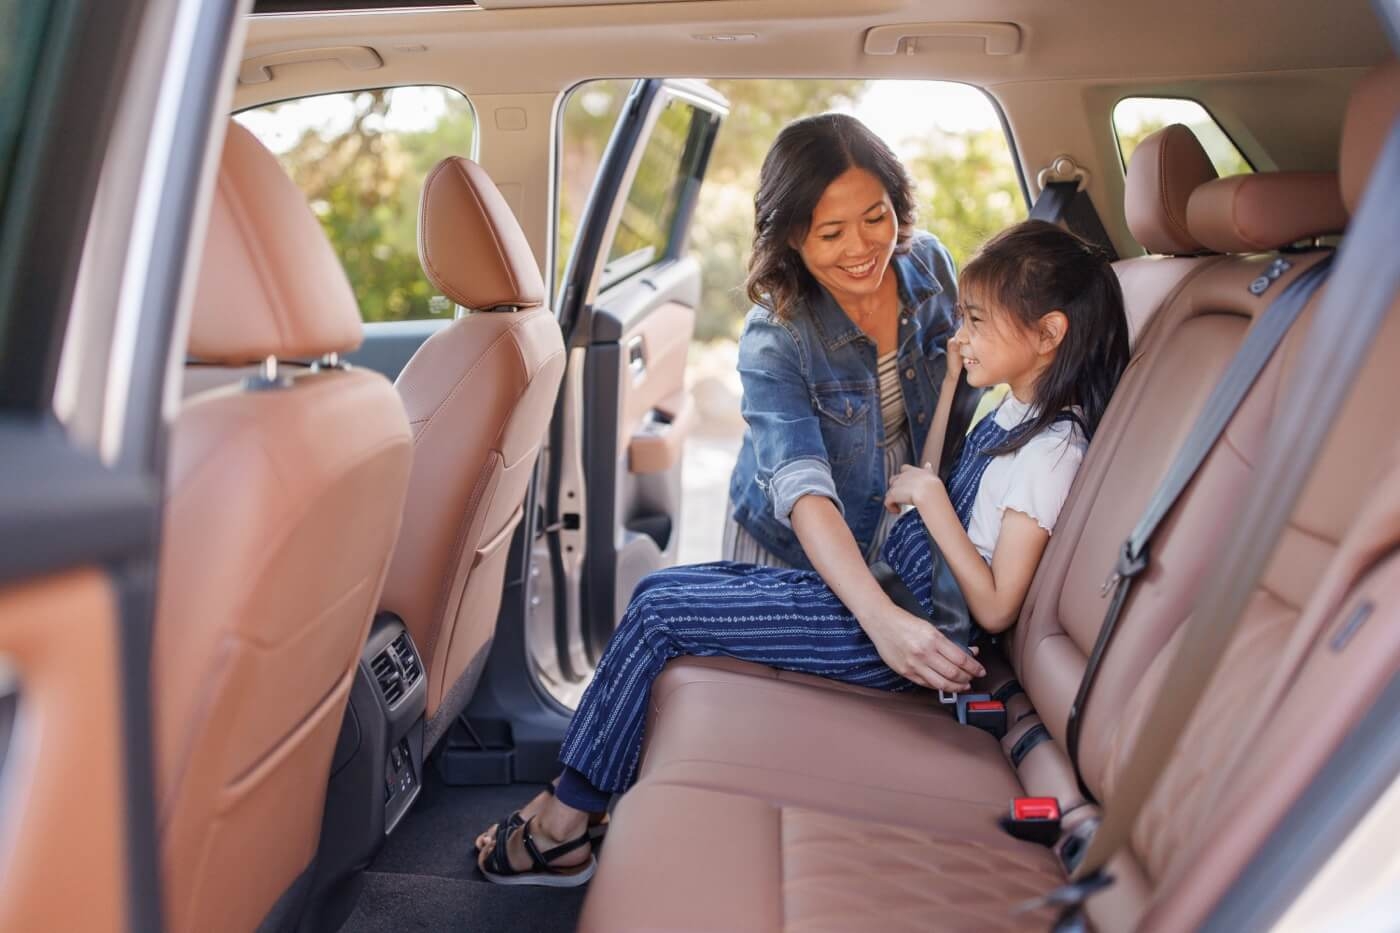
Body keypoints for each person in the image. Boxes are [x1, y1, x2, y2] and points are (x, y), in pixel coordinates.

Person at [474, 220, 1131, 887]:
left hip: (910, 637)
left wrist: (932, 503)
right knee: (656, 595)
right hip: (894, 590)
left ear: (1049, 335)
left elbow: (993, 608)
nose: (959, 335)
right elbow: (935, 474)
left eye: (977, 320)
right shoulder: (1018, 409)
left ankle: (564, 825)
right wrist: (947, 417)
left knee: (660, 611)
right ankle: (574, 802)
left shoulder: (1052, 452)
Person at [723, 113, 981, 576]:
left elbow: (962, 387)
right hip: (795, 536)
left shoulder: (930, 265)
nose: (861, 248)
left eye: (875, 218)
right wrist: (880, 619)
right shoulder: (774, 335)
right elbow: (801, 486)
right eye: (831, 233)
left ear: (895, 205)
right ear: (791, 237)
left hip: (900, 504)